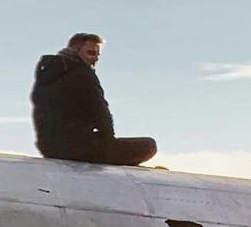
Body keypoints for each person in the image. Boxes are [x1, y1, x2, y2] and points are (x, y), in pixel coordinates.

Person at [31, 33, 157, 166]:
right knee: (148, 145)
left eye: (98, 55)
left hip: (48, 147)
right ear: (75, 51)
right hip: (77, 149)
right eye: (91, 53)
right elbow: (100, 110)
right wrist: (109, 142)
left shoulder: (46, 79)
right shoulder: (82, 73)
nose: (96, 59)